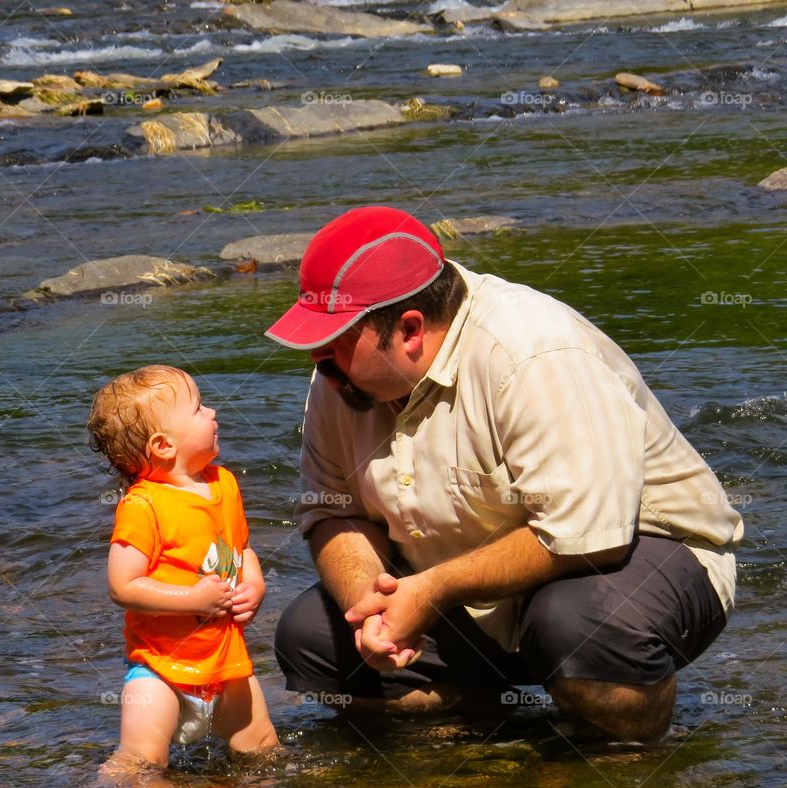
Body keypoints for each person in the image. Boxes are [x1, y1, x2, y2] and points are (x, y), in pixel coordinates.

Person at [265, 206, 743, 742]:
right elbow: (335, 512)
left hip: (642, 557)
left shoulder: (534, 353)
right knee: (313, 640)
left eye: (332, 344)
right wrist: (368, 605)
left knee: (578, 624)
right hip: (466, 591)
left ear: (410, 330)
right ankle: (500, 726)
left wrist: (429, 592)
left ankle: (630, 772)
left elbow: (590, 539)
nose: (317, 359)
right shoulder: (342, 374)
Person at [87, 365, 278, 771]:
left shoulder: (224, 484)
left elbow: (241, 548)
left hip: (226, 663)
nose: (212, 412)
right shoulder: (143, 506)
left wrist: (254, 584)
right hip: (160, 672)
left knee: (263, 751)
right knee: (140, 763)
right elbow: (122, 585)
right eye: (197, 408)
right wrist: (192, 598)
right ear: (163, 444)